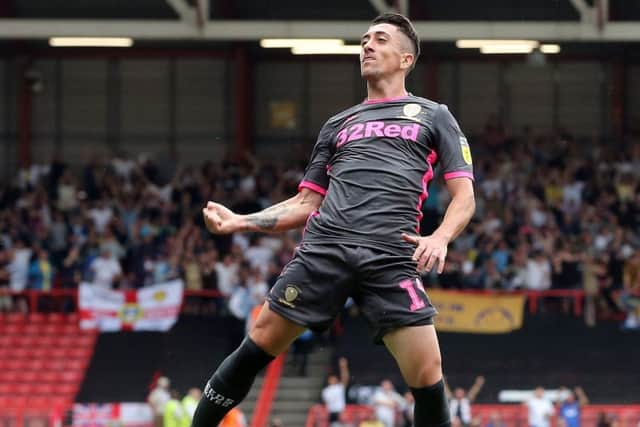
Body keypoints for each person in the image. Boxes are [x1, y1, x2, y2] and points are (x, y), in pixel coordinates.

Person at [193, 12, 476, 427]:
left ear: (405, 59)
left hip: (391, 254)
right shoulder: (337, 124)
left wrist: (441, 237)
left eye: (380, 39)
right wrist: (241, 222)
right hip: (326, 248)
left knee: (428, 372)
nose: (367, 45)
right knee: (258, 343)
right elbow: (305, 203)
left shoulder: (434, 116)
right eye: (364, 39)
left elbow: (465, 198)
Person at [321, 357, 350, 426]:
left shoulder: (339, 387)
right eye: (331, 379)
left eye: (334, 379)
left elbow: (345, 378)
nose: (333, 380)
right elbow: (327, 403)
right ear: (329, 380)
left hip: (340, 412)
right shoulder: (326, 391)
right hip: (332, 413)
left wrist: (344, 367)